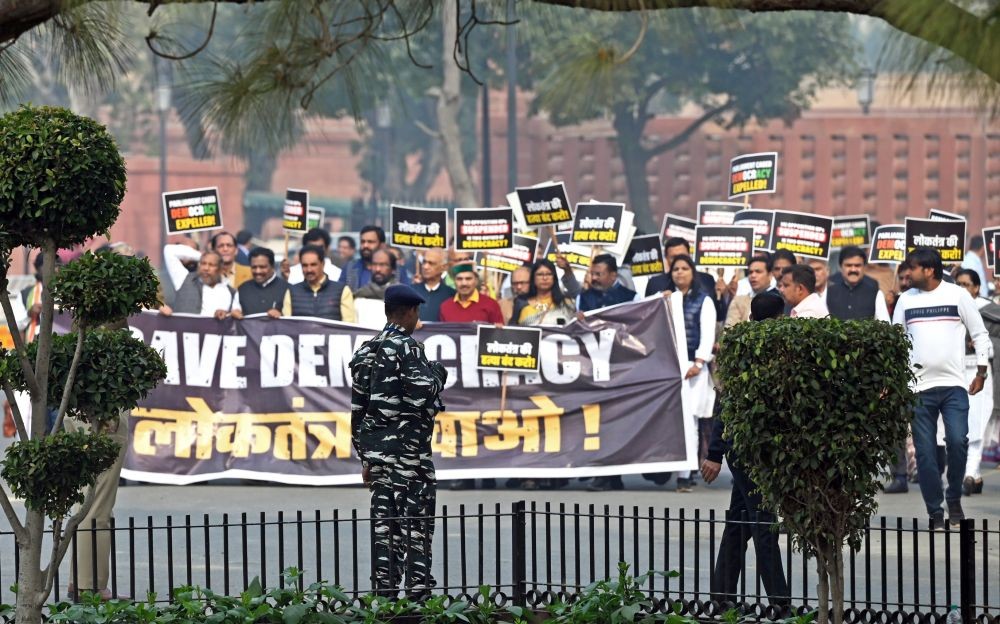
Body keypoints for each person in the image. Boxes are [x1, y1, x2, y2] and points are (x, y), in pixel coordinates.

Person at [350, 284, 448, 598]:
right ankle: (419, 600)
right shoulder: (407, 347)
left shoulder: (367, 350)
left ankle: (384, 598)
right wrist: (437, 373)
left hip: (378, 458)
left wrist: (366, 459)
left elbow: (358, 411)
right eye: (416, 312)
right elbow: (423, 391)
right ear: (409, 312)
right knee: (415, 531)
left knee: (385, 533)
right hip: (410, 458)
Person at [702, 291, 789, 613]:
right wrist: (714, 452)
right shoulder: (760, 350)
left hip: (746, 450)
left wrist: (717, 451)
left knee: (740, 522)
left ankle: (722, 596)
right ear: (779, 317)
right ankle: (780, 603)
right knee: (764, 524)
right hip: (750, 452)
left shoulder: (742, 347)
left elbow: (723, 402)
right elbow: (727, 405)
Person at [893, 248, 990, 529]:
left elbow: (981, 335)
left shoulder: (957, 295)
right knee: (924, 454)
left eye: (912, 268)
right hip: (918, 389)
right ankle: (935, 510)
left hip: (953, 386)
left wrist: (981, 371)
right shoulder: (905, 301)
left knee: (958, 441)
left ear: (929, 270)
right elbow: (896, 342)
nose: (906, 274)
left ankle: (954, 497)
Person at [664, 255, 717, 493]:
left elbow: (707, 334)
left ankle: (685, 475)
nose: (679, 273)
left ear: (692, 272)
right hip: (670, 366)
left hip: (693, 368)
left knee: (691, 422)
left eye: (685, 268)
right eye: (676, 269)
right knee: (674, 422)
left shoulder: (703, 301)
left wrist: (699, 362)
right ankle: (680, 470)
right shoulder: (667, 298)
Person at [954, 269, 994, 496]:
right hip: (957, 370)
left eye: (966, 284)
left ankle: (970, 473)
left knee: (977, 424)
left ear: (977, 287)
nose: (962, 288)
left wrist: (981, 346)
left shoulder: (990, 310)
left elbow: (992, 342)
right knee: (959, 426)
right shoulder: (951, 305)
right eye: (958, 283)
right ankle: (972, 476)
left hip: (981, 373)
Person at [646, 237, 723, 317]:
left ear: (689, 255)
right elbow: (647, 316)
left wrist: (720, 296)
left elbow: (719, 314)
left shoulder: (706, 280)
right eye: (674, 257)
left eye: (682, 256)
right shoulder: (655, 284)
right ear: (666, 258)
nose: (679, 261)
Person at [159, 251, 240, 319]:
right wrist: (203, 256)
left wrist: (226, 314)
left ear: (220, 269)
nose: (206, 268)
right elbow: (169, 250)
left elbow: (235, 317)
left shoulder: (231, 292)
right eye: (203, 263)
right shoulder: (185, 279)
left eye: (211, 265)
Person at [289, 245, 356, 322]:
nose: (309, 270)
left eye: (313, 265)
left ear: (323, 264)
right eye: (305, 265)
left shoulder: (342, 291)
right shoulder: (291, 292)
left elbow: (349, 325)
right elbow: (286, 325)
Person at [826, 246, 891, 322]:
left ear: (864, 267)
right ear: (840, 267)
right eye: (849, 265)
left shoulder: (873, 288)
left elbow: (883, 322)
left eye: (857, 265)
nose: (853, 269)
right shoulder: (829, 286)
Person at [341, 225, 410, 291]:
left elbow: (405, 296)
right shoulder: (349, 267)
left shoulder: (397, 270)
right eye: (363, 242)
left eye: (370, 242)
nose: (365, 245)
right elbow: (339, 293)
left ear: (382, 245)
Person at [511, 260, 577, 327]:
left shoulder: (566, 303)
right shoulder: (521, 303)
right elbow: (512, 329)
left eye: (549, 274)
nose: (545, 278)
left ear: (554, 278)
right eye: (540, 274)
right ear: (533, 278)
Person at [232, 247, 290, 318]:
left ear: (272, 266)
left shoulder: (287, 289)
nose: (258, 271)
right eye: (254, 267)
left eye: (262, 267)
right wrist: (235, 313)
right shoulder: (242, 289)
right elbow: (235, 312)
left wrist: (281, 316)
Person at [438, 264, 504, 324]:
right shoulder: (446, 307)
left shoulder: (491, 305)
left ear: (476, 281)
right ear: (454, 282)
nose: (464, 283)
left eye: (468, 279)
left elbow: (498, 335)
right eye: (459, 279)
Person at [725, 255, 777, 327]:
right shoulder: (739, 301)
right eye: (750, 272)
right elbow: (729, 330)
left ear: (770, 275)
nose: (753, 275)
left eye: (758, 272)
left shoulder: (780, 299)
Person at [353, 249, 399, 329]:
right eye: (375, 264)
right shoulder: (359, 296)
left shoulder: (403, 298)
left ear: (393, 269)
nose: (378, 269)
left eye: (383, 265)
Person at [414, 249, 455, 322]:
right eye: (424, 262)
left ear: (444, 267)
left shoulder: (452, 295)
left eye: (431, 263)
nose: (425, 267)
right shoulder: (410, 292)